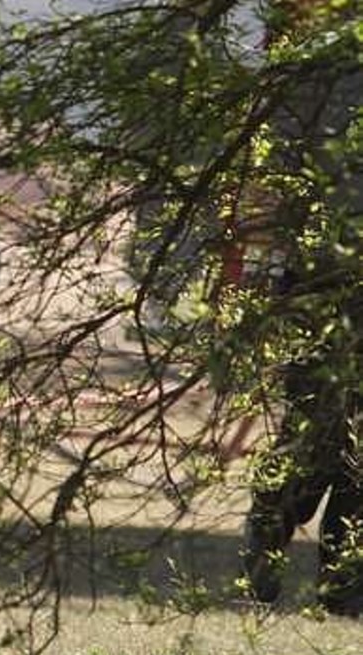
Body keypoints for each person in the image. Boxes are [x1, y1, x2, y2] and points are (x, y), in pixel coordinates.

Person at [241, 0, 361, 617]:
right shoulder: (318, 65)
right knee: (316, 434)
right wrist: (261, 263)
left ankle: (344, 589)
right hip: (325, 278)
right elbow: (275, 171)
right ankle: (263, 547)